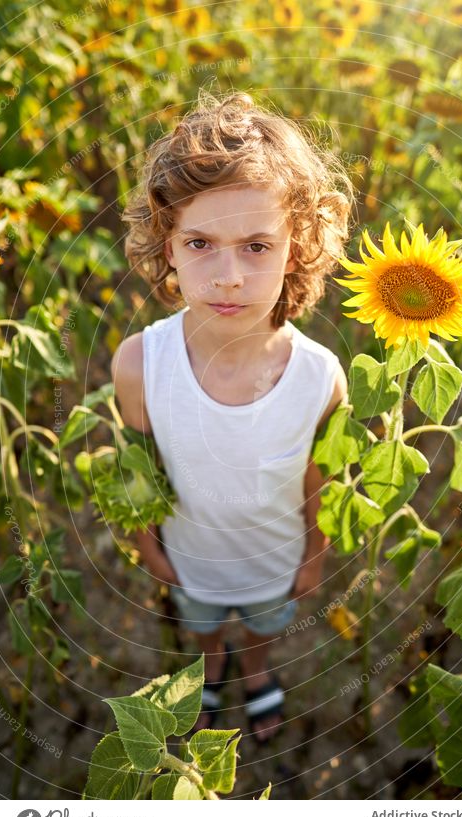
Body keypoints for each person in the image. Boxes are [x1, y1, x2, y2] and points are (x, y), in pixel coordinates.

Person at [111, 89, 353, 743]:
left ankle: (255, 676)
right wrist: (147, 548)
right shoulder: (139, 363)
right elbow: (137, 471)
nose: (226, 277)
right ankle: (211, 678)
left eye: (255, 246)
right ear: (166, 246)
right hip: (190, 558)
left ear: (296, 248)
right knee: (205, 626)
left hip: (274, 561)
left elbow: (318, 479)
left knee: (261, 629)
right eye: (200, 242)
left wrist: (313, 557)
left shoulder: (317, 377)